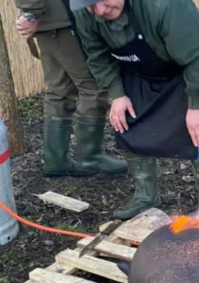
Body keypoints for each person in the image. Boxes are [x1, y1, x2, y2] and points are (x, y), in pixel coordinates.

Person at [68, 0, 199, 219]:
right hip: (137, 72)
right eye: (92, 6)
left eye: (102, 0)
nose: (100, 11)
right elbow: (97, 55)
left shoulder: (163, 5)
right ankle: (146, 196)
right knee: (125, 121)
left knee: (196, 132)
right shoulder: (87, 13)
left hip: (181, 71)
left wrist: (196, 105)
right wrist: (116, 94)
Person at [14, 0, 127, 178]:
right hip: (61, 19)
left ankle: (55, 160)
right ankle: (90, 157)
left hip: (52, 20)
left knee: (60, 89)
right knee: (92, 87)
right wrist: (31, 12)